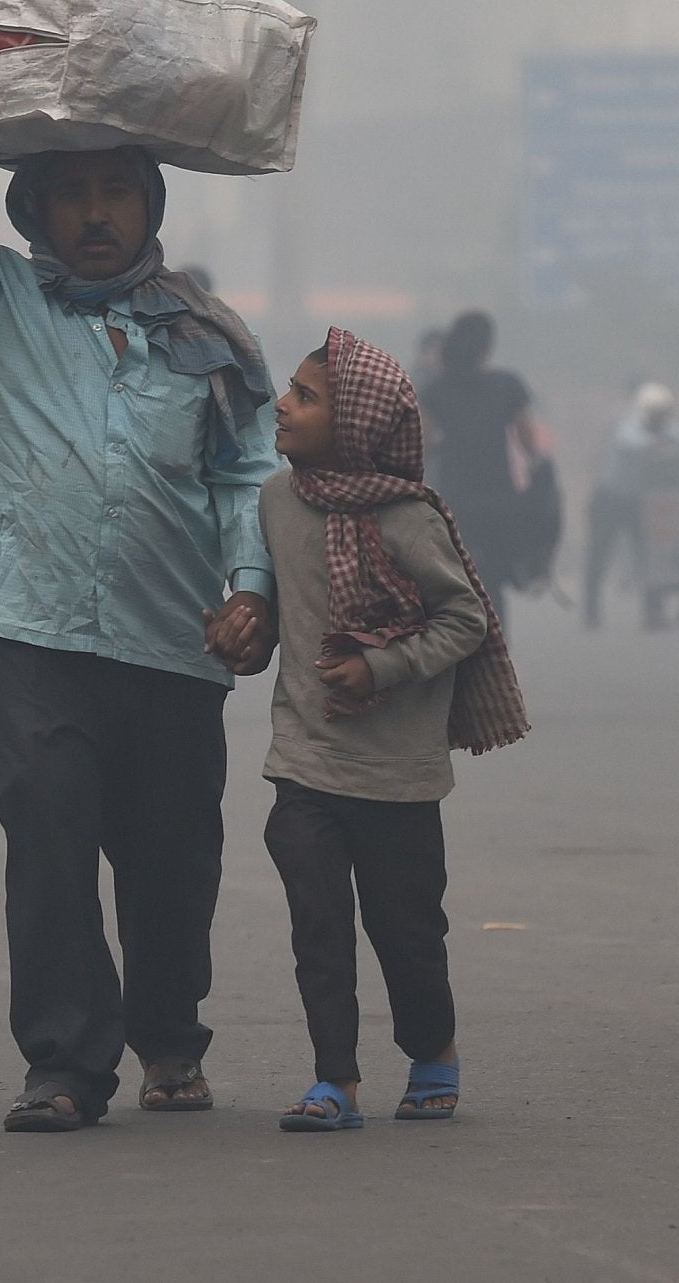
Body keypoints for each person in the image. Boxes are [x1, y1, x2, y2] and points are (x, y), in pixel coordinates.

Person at [0, 36, 278, 1133]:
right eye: (74, 196)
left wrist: (251, 586)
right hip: (32, 630)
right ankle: (63, 1062)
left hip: (171, 639)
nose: (97, 213)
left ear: (150, 207)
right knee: (49, 842)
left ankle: (168, 1041)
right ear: (36, 215)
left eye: (118, 192)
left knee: (171, 861)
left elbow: (245, 472)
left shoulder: (204, 336)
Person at [211, 329, 527, 1132]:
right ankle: (336, 1082)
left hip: (396, 775)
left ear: (355, 424)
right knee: (317, 928)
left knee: (406, 929)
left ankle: (432, 1054)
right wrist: (247, 633)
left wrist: (380, 668)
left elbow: (465, 620)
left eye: (307, 396)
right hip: (305, 761)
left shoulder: (408, 518)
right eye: (290, 388)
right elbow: (286, 610)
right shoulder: (277, 501)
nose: (283, 404)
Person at [419, 310, 549, 628]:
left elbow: (423, 442)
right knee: (492, 579)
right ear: (486, 347)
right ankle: (496, 643)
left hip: (454, 500)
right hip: (500, 500)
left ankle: (461, 636)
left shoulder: (436, 389)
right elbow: (527, 438)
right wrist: (538, 466)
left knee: (458, 575)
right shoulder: (508, 385)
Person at [583, 382, 679, 630]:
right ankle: (591, 612)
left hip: (638, 502)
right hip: (610, 499)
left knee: (649, 556)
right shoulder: (627, 426)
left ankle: (653, 614)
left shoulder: (665, 430)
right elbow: (634, 441)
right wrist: (663, 445)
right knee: (599, 556)